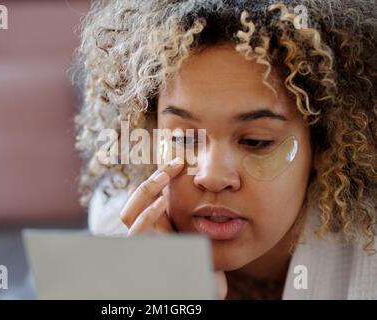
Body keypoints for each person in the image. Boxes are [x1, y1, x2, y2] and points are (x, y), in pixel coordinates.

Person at [70, 0, 377, 299]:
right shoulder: (122, 227)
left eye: (256, 141)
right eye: (184, 139)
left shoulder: (368, 258)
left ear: (325, 148)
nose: (212, 177)